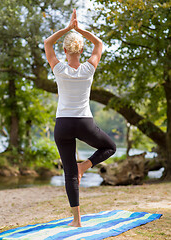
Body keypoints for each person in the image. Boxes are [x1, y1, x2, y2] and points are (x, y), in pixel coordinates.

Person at [44, 9, 116, 227]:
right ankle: (84, 166)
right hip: (84, 122)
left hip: (63, 124)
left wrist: (67, 28)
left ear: (64, 50)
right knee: (110, 147)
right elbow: (99, 44)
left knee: (69, 174)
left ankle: (76, 220)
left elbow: (48, 43)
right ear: (82, 49)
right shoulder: (88, 69)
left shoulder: (59, 69)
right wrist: (80, 29)